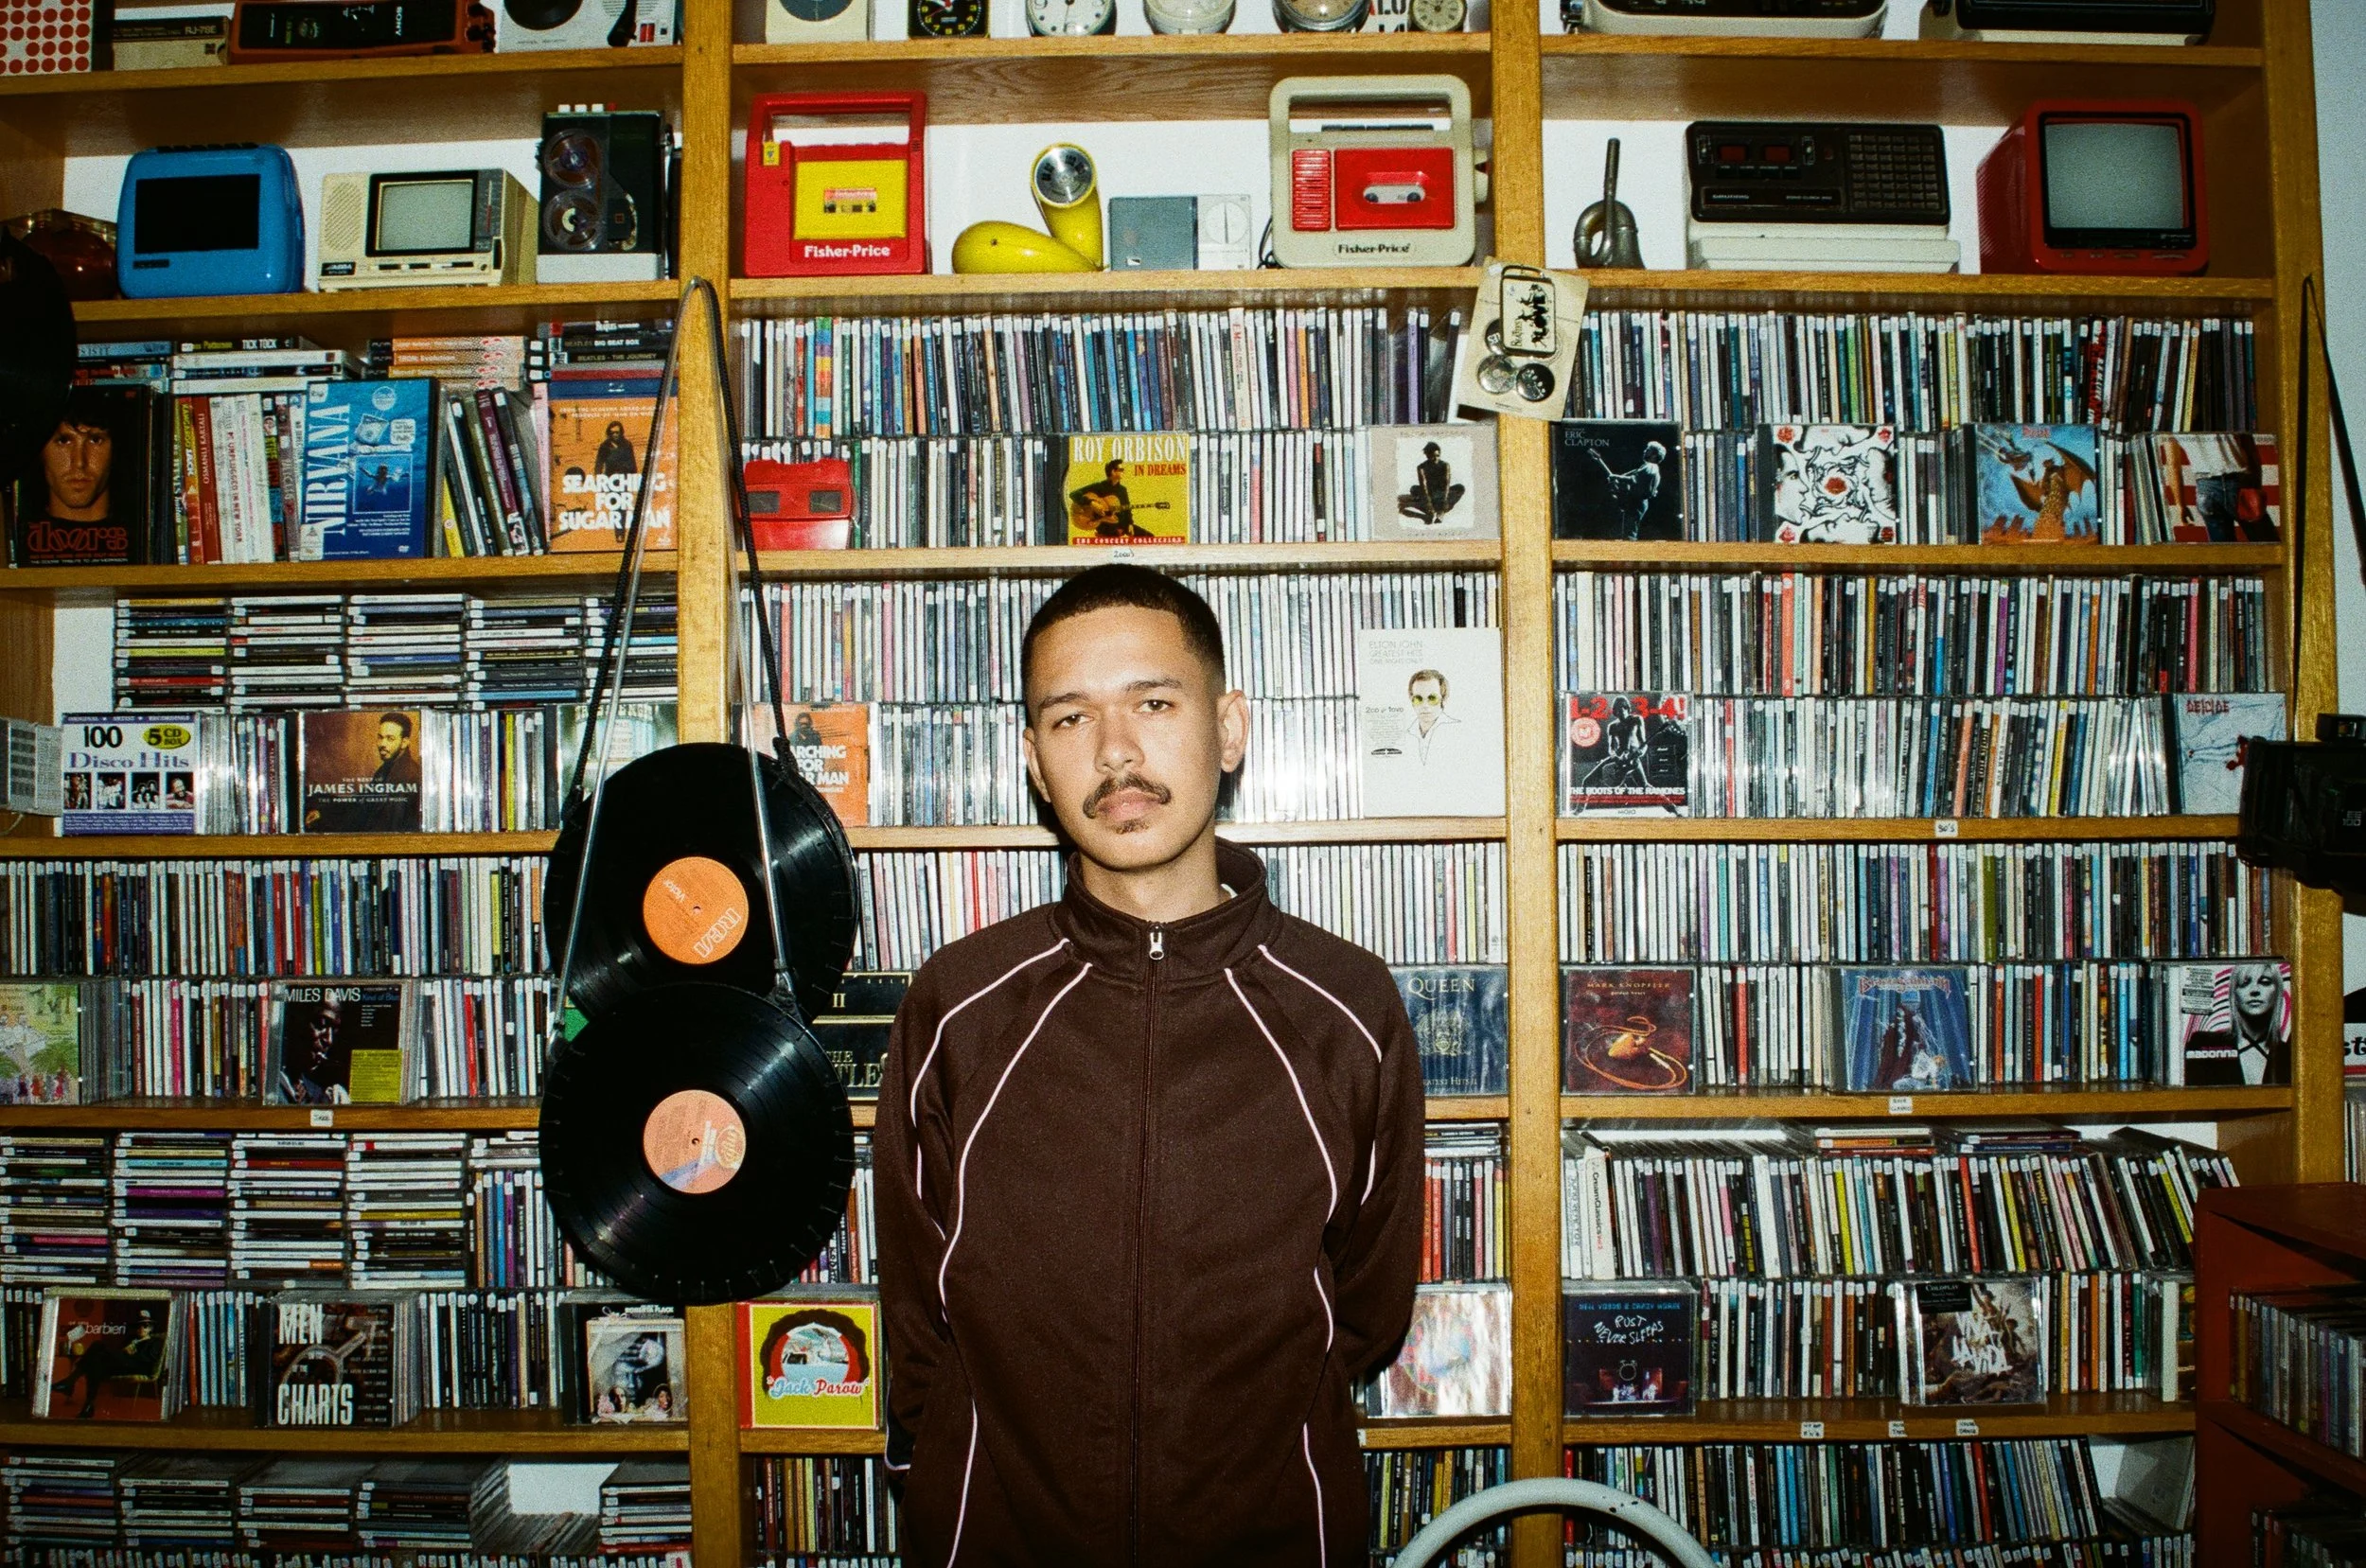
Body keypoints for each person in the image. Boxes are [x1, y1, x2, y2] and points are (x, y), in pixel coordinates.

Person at [876, 564, 1423, 1567]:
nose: (1116, 752)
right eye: (1070, 718)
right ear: (1035, 762)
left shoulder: (1349, 1007)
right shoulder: (956, 1006)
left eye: (1154, 703)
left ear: (1229, 728)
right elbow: (918, 1318)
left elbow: (1365, 1312)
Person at [2183, 961, 2291, 1085]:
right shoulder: (2202, 1043)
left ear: (2278, 992)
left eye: (2265, 982)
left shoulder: (2290, 1054)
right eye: (2244, 983)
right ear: (2234, 995)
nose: (2254, 990)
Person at [1407, 667, 1460, 765]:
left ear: (1444, 700)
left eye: (1432, 698)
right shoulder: (1406, 734)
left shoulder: (1458, 731)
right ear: (1412, 701)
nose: (1425, 706)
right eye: (1418, 699)